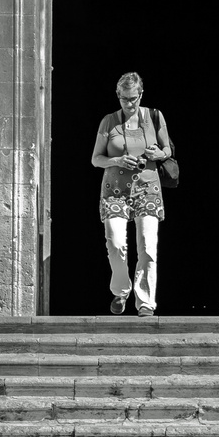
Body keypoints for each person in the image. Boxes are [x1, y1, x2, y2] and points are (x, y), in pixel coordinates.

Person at [90, 71, 172, 316]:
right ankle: (121, 290)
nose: (129, 104)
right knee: (115, 242)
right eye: (125, 99)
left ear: (141, 94)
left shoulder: (154, 116)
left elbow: (167, 148)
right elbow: (96, 159)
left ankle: (146, 302)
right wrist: (116, 159)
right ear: (118, 96)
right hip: (114, 190)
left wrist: (160, 155)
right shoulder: (108, 121)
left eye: (134, 98)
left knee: (147, 246)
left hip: (147, 188)